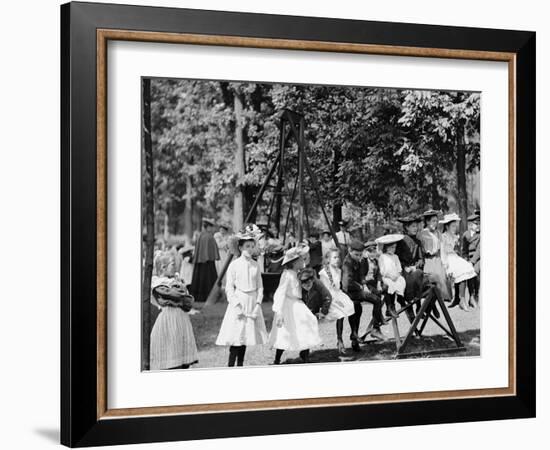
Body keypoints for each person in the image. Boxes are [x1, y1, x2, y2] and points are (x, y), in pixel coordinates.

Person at [215, 231, 268, 367]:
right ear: (240, 247)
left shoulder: (255, 265)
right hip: (239, 301)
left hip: (251, 301)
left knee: (246, 336)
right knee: (236, 336)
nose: (250, 249)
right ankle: (231, 365)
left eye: (252, 246)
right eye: (247, 246)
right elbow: (229, 288)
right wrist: (236, 305)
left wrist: (257, 305)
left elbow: (260, 287)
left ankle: (240, 365)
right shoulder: (234, 265)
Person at [269, 248, 322, 364]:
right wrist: (279, 311)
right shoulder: (287, 275)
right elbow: (280, 292)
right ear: (293, 263)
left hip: (298, 303)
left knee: (308, 322)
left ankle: (305, 354)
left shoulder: (299, 273)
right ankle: (277, 358)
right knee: (286, 331)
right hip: (289, 305)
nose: (302, 262)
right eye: (300, 260)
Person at [150, 253, 199, 370]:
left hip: (181, 318)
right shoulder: (159, 284)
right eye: (173, 264)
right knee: (171, 347)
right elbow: (177, 295)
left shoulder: (174, 281)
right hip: (169, 318)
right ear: (163, 267)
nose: (175, 267)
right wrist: (182, 294)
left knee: (181, 346)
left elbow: (187, 300)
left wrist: (183, 295)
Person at [342, 241, 386, 350]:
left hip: (357, 290)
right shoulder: (347, 263)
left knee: (358, 310)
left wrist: (364, 284)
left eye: (360, 255)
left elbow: (361, 276)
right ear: (349, 251)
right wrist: (361, 287)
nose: (358, 257)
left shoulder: (357, 260)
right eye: (356, 255)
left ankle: (354, 339)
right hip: (350, 292)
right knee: (376, 300)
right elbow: (347, 283)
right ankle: (375, 328)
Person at [319, 249, 355, 355]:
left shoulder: (338, 271)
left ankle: (353, 333)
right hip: (329, 298)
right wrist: (335, 300)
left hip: (338, 294)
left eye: (338, 257)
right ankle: (340, 340)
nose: (337, 259)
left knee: (351, 306)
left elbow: (339, 287)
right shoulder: (324, 273)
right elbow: (324, 291)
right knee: (341, 313)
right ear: (328, 260)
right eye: (334, 257)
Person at [439, 213, 478, 311]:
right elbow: (442, 251)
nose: (454, 228)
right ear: (447, 226)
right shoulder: (443, 236)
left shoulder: (455, 237)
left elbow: (457, 251)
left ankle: (470, 297)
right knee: (461, 270)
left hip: (455, 257)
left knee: (468, 267)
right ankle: (461, 299)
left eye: (455, 226)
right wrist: (445, 264)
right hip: (448, 258)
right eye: (452, 226)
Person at [395, 215, 425, 318]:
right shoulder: (401, 241)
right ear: (406, 227)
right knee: (415, 277)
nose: (415, 228)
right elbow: (396, 259)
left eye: (416, 226)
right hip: (404, 271)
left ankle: (419, 306)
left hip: (415, 270)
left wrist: (416, 265)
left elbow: (421, 259)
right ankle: (411, 304)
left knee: (423, 276)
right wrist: (405, 267)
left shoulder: (418, 241)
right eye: (413, 226)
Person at [418, 210, 451, 302]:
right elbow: (420, 248)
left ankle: (442, 297)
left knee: (442, 275)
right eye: (433, 221)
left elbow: (442, 249)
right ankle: (430, 297)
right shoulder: (422, 234)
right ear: (427, 222)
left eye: (436, 221)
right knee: (433, 276)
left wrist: (444, 263)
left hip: (437, 259)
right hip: (427, 260)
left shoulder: (438, 233)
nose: (435, 223)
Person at [376, 235, 407, 318]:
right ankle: (390, 307)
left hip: (395, 275)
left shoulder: (395, 257)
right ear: (387, 248)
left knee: (402, 281)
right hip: (387, 276)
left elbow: (399, 268)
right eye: (392, 248)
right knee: (390, 286)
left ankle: (401, 298)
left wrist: (397, 275)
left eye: (395, 248)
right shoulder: (382, 257)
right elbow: (382, 270)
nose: (394, 249)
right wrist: (389, 276)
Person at [190, 218, 220, 302]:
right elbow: (213, 249)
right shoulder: (209, 237)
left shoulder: (200, 236)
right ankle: (209, 296)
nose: (213, 229)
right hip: (209, 263)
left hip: (200, 263)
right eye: (212, 227)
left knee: (199, 280)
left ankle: (198, 296)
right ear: (208, 227)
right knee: (209, 280)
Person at [462, 212, 481, 306]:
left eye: (479, 223)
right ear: (470, 225)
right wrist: (465, 260)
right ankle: (471, 296)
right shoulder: (465, 235)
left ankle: (476, 294)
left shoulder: (481, 235)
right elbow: (464, 250)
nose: (478, 225)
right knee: (467, 272)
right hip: (468, 259)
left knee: (475, 271)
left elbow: (479, 250)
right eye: (476, 224)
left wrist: (472, 262)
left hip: (478, 259)